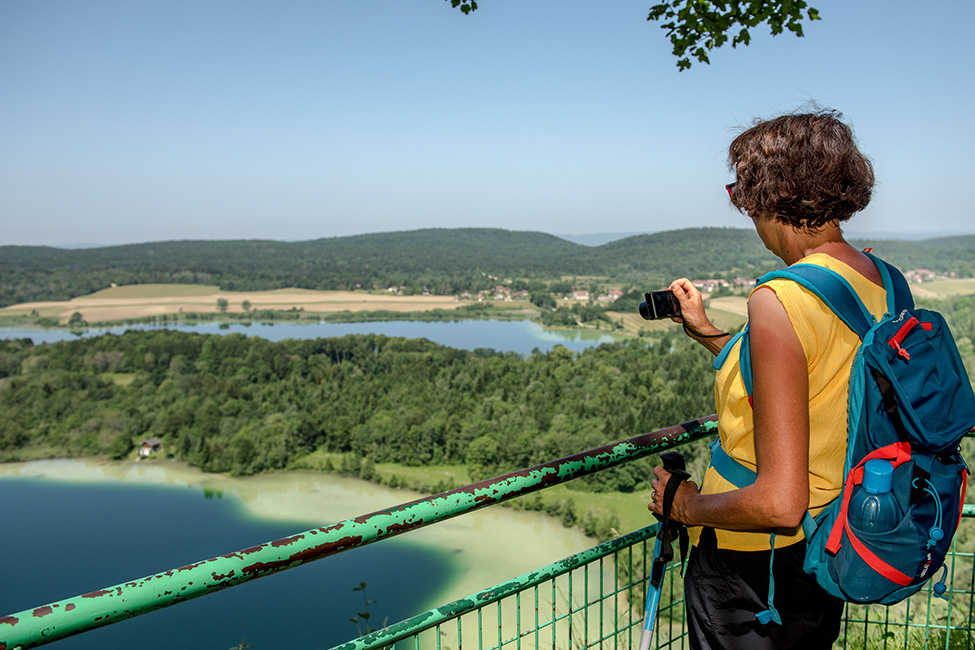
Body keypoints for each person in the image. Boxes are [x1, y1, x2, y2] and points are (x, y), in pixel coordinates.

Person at [646, 110, 887, 649]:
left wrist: (681, 505)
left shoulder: (780, 298)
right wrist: (707, 332)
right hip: (832, 539)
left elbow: (780, 501)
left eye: (738, 191)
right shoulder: (878, 279)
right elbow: (816, 373)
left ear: (767, 195)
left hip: (754, 565)